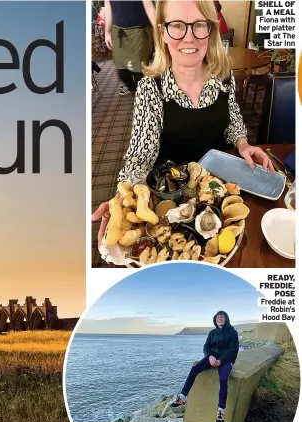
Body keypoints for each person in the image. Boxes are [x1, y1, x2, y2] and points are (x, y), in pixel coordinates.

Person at [92, 0, 275, 245]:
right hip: (171, 205)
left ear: (210, 30)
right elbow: (139, 155)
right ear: (162, 31)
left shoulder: (223, 76)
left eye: (199, 25)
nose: (189, 37)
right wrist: (123, 197)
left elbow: (232, 121)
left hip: (218, 195)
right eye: (177, 25)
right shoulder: (150, 87)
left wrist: (242, 144)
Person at [170, 311, 239, 422]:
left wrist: (221, 360)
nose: (220, 319)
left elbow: (233, 350)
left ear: (226, 319)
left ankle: (221, 412)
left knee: (223, 379)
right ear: (215, 320)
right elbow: (206, 347)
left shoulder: (232, 332)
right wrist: (210, 356)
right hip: (212, 358)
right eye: (218, 317)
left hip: (226, 360)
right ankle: (182, 398)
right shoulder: (212, 333)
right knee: (194, 369)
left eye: (222, 317)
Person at [104, 0, 156, 96]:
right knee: (121, 69)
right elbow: (108, 9)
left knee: (139, 69)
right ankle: (131, 87)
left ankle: (145, 95)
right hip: (118, 32)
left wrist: (158, 30)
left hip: (138, 32)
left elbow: (150, 9)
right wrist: (107, 32)